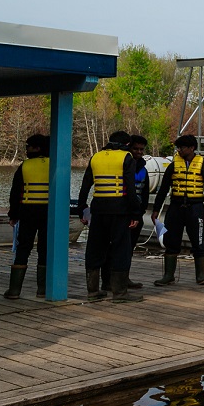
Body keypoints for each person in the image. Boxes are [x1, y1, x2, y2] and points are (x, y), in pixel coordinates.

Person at [77, 130, 142, 303]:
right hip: (119, 210)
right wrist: (135, 212)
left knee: (95, 248)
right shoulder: (126, 157)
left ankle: (93, 291)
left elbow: (85, 186)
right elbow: (130, 187)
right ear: (127, 144)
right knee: (121, 248)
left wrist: (81, 208)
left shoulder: (96, 157)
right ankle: (119, 293)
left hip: (98, 209)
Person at [151, 134, 204, 287]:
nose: (179, 150)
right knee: (170, 241)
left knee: (198, 241)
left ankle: (201, 275)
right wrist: (156, 209)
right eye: (178, 147)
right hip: (175, 207)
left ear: (192, 148)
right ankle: (168, 276)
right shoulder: (174, 165)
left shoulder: (202, 165)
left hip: (196, 208)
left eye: (182, 147)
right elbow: (163, 189)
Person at [4, 133, 51, 299]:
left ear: (36, 148)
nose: (26, 149)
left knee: (23, 247)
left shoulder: (25, 166)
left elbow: (15, 193)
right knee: (45, 249)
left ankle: (14, 291)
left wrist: (13, 214)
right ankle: (43, 290)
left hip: (28, 212)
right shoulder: (54, 165)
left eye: (28, 146)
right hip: (49, 213)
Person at [101, 134, 150, 291]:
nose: (139, 152)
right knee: (112, 248)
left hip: (135, 215)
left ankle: (124, 278)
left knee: (128, 249)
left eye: (141, 149)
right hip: (120, 213)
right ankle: (107, 281)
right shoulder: (121, 163)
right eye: (135, 148)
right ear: (128, 147)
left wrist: (140, 213)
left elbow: (145, 193)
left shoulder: (143, 168)